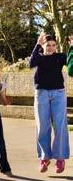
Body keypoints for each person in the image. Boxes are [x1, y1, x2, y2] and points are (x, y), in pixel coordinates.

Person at [29, 34, 69, 173]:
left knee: (60, 126)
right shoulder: (39, 57)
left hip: (58, 93)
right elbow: (31, 63)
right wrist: (37, 45)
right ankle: (44, 157)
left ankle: (60, 158)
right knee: (42, 126)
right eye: (48, 45)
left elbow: (71, 64)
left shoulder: (60, 57)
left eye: (53, 45)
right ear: (43, 46)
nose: (51, 48)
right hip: (42, 94)